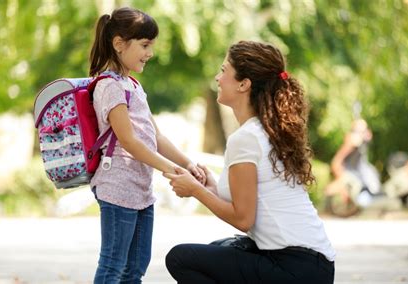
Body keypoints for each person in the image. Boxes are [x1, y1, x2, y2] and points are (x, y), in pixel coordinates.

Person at [163, 41, 335, 283]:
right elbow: (253, 201)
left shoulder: (246, 138)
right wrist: (208, 187)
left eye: (223, 71)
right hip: (314, 267)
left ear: (244, 84)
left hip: (295, 269)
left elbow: (243, 220)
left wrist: (196, 191)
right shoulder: (266, 131)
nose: (217, 78)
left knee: (181, 258)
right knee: (219, 247)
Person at [88, 7, 205, 284]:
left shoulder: (133, 85)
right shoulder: (109, 86)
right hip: (117, 189)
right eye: (144, 45)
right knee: (113, 266)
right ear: (119, 44)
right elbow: (129, 141)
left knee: (135, 268)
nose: (150, 52)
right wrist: (172, 170)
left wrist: (187, 164)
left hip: (140, 190)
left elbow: (157, 137)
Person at [325, 118, 381, 208]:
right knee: (362, 198)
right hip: (349, 174)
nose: (366, 132)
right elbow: (337, 161)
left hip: (358, 174)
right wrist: (341, 180)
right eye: (362, 131)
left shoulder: (361, 143)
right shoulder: (352, 142)